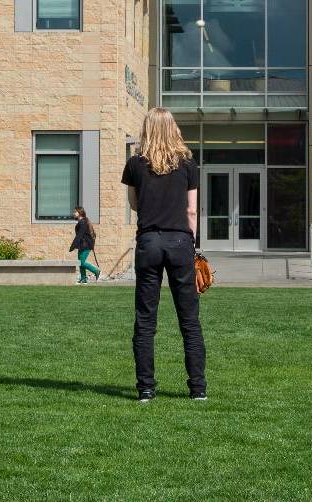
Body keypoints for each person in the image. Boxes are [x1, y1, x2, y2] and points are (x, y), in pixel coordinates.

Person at [121, 108, 206, 402]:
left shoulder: (134, 164)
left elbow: (135, 205)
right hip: (181, 241)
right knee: (189, 320)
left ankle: (145, 389)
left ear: (147, 128)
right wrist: (193, 248)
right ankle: (197, 389)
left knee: (145, 320)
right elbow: (192, 210)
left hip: (148, 242)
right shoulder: (188, 164)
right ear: (174, 129)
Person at [69, 205, 100, 284]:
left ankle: (96, 271)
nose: (74, 213)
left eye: (75, 212)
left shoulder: (83, 222)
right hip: (83, 245)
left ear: (80, 213)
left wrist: (72, 246)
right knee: (80, 262)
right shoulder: (83, 221)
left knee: (81, 262)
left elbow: (79, 235)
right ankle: (83, 278)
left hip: (86, 245)